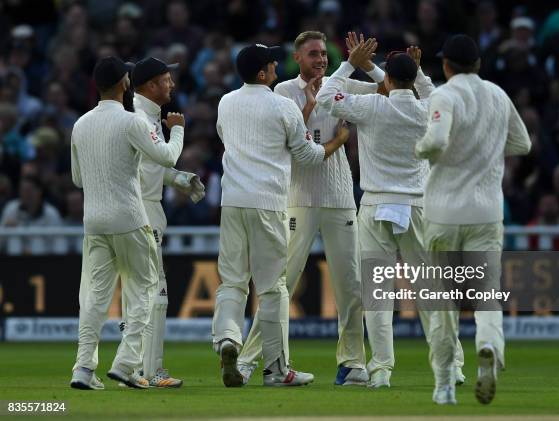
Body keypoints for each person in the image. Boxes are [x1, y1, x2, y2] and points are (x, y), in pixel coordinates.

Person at [316, 36, 464, 388]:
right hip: (417, 207)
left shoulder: (372, 105)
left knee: (377, 294)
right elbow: (431, 94)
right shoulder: (426, 108)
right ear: (412, 80)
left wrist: (351, 62)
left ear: (386, 82)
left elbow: (325, 95)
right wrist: (419, 71)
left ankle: (381, 369)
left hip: (377, 205)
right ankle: (451, 367)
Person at [237, 31, 382, 387]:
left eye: (324, 53)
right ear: (298, 59)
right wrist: (311, 106)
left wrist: (368, 67)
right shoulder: (283, 91)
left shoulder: (342, 85)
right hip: (297, 197)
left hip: (340, 196)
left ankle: (351, 363)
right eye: (313, 54)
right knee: (280, 284)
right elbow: (289, 143)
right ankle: (248, 360)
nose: (320, 59)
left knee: (350, 285)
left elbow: (387, 92)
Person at [213, 44, 350, 387]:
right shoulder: (283, 105)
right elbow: (307, 155)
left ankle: (228, 339)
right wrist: (339, 141)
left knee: (232, 280)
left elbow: (226, 137)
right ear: (262, 73)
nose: (277, 65)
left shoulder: (226, 102)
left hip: (232, 202)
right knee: (273, 287)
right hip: (268, 203)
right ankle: (276, 370)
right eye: (272, 62)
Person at [415, 34, 531, 405]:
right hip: (486, 211)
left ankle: (445, 384)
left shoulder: (444, 95)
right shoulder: (497, 95)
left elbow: (435, 141)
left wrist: (418, 150)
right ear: (478, 64)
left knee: (443, 303)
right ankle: (488, 348)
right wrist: (488, 152)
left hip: (444, 212)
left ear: (446, 65)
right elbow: (523, 144)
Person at [69, 56, 185, 390]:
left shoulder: (80, 124)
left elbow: (78, 179)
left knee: (94, 298)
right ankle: (126, 362)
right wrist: (176, 130)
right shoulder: (132, 122)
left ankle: (83, 369)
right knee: (146, 287)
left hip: (94, 221)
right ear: (125, 83)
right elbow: (167, 157)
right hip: (131, 218)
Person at [119, 57, 205, 388]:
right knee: (157, 294)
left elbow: (148, 168)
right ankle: (149, 371)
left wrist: (181, 181)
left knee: (137, 295)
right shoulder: (143, 119)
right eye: (166, 79)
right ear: (151, 85)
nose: (171, 84)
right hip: (143, 213)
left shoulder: (142, 117)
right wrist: (179, 128)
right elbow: (165, 157)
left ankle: (131, 369)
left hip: (138, 210)